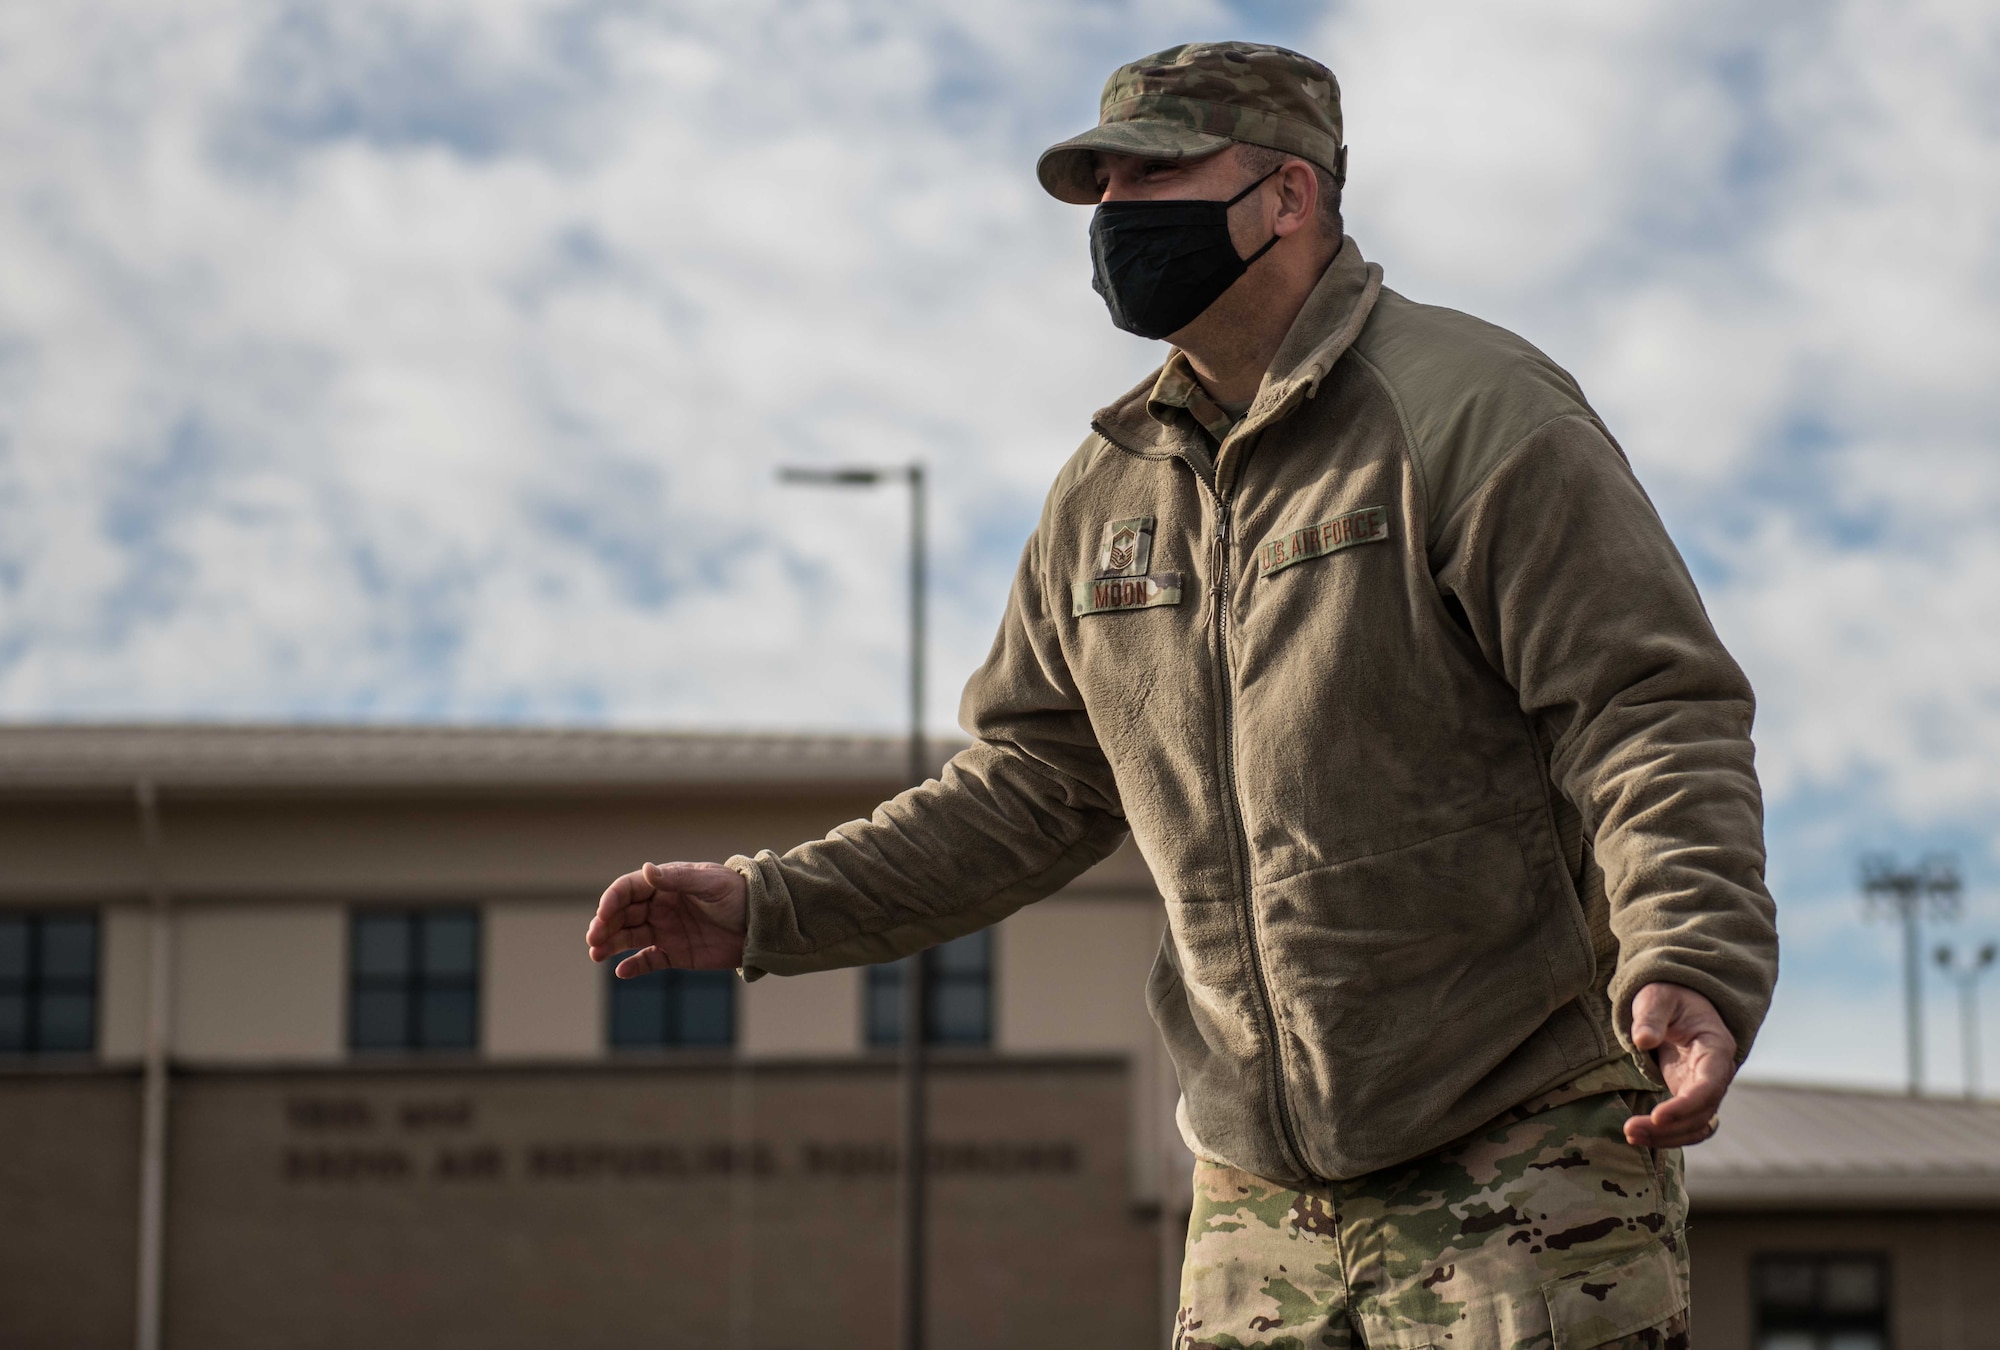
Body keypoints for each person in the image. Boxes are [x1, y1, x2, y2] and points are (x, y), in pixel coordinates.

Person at [587, 41, 1777, 1349]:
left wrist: (1691, 956)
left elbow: (1646, 709)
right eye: (1100, 183)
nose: (1114, 216)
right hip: (1254, 1204)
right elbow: (1026, 787)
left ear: (1288, 194)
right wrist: (772, 902)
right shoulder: (1102, 501)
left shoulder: (1476, 414)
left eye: (1154, 173)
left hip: (1522, 1150)